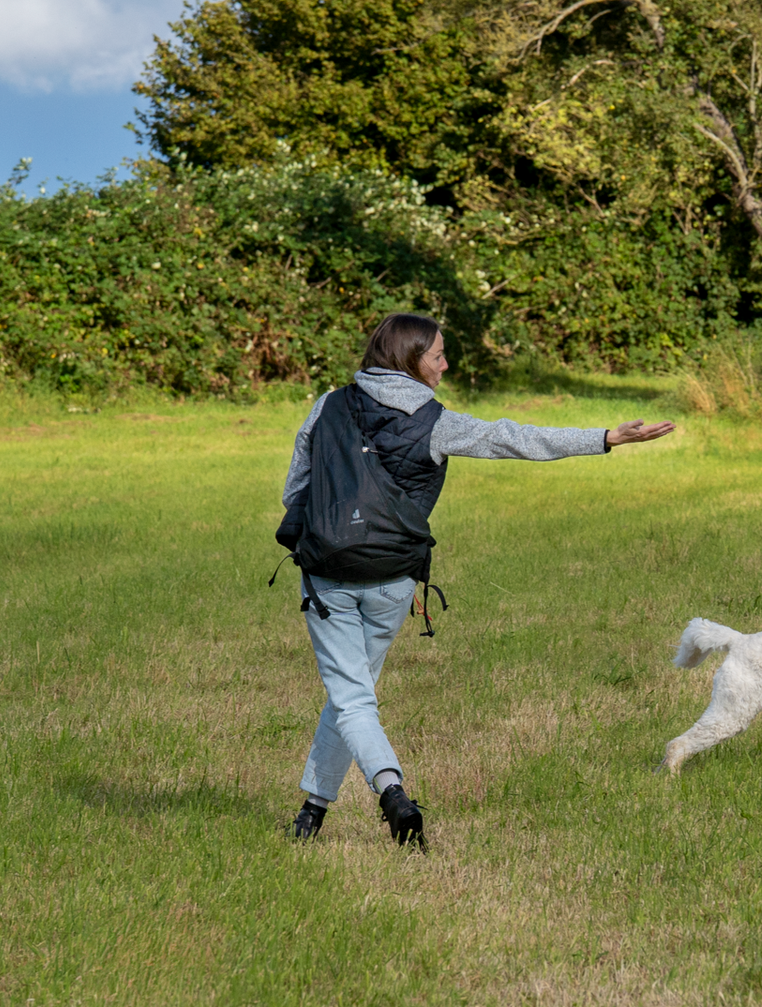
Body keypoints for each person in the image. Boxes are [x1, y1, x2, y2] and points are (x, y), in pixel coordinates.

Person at [279, 312, 674, 847]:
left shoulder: (327, 405)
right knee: (354, 695)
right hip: (394, 580)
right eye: (437, 354)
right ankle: (313, 810)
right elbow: (511, 439)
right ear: (409, 360)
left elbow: (295, 489)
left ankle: (390, 791)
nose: (445, 363)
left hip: (326, 576)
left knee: (351, 697)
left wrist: (328, 530)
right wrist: (603, 437)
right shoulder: (437, 422)